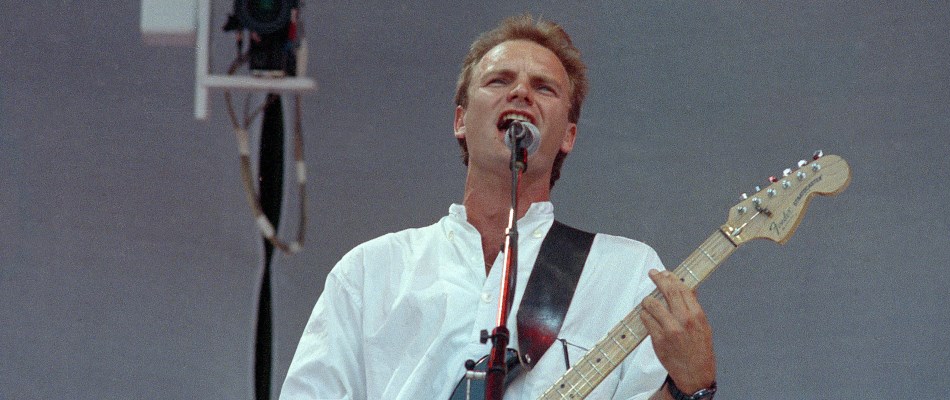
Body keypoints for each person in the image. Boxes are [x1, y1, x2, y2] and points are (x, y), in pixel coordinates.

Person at [280, 14, 717, 399]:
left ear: (568, 135)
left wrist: (689, 387)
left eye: (544, 87)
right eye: (499, 80)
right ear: (460, 121)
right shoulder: (369, 272)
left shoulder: (625, 274)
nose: (522, 92)